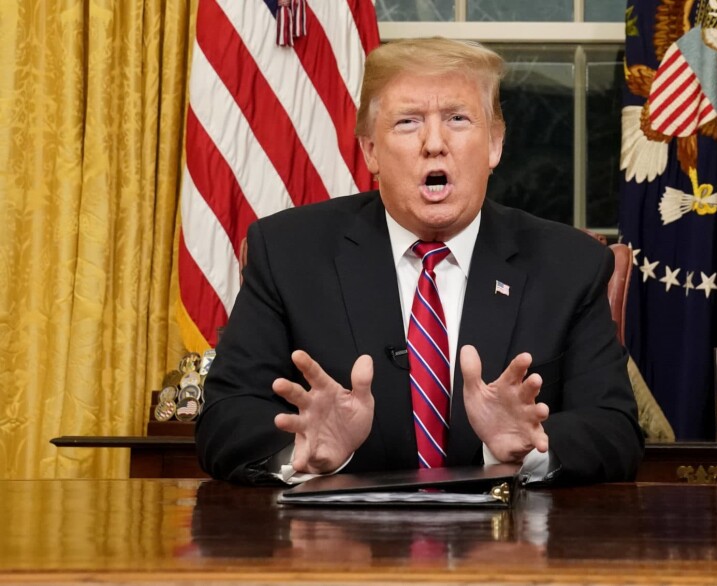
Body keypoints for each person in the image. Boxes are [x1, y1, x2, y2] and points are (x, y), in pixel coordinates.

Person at [195, 37, 644, 485]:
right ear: (370, 150)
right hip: (340, 545)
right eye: (408, 122)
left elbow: (615, 430)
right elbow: (223, 418)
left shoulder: (569, 265)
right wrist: (301, 453)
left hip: (510, 544)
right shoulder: (289, 252)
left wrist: (529, 446)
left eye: (458, 118)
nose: (434, 143)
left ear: (495, 144)